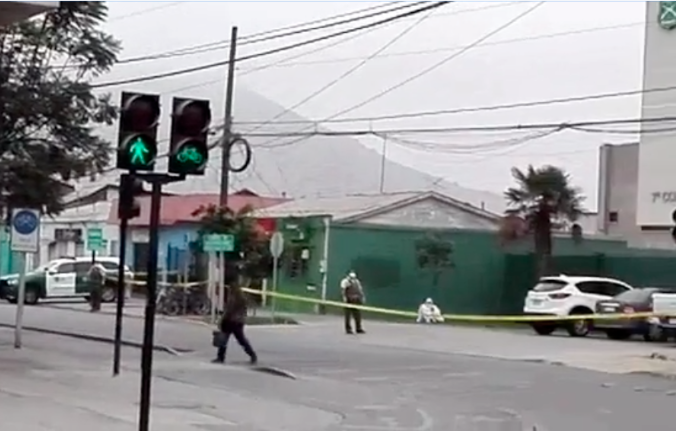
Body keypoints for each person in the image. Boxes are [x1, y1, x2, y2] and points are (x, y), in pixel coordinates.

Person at [212, 284, 258, 365]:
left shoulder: (232, 299)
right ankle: (252, 354)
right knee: (242, 340)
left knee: (223, 340)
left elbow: (228, 310)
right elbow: (245, 310)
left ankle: (220, 357)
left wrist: (221, 320)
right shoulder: (242, 299)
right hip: (239, 322)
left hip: (230, 321)